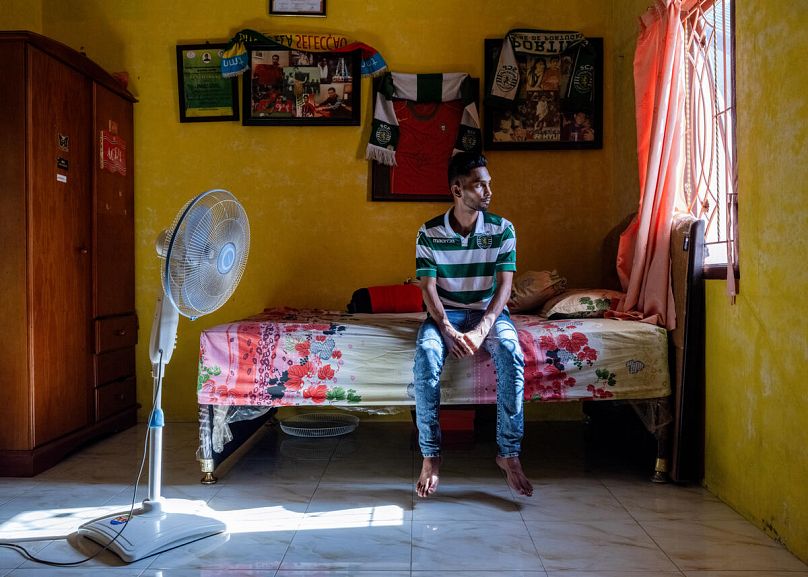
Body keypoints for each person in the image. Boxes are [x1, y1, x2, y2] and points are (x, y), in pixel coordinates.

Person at [412, 152, 533, 499]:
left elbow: (505, 287)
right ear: (457, 189)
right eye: (479, 184)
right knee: (426, 355)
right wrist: (448, 330)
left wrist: (483, 328)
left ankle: (509, 454)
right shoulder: (429, 232)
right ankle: (430, 456)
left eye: (488, 183)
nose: (488, 190)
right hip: (444, 316)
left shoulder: (502, 229)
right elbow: (429, 289)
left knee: (511, 352)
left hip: (490, 315)